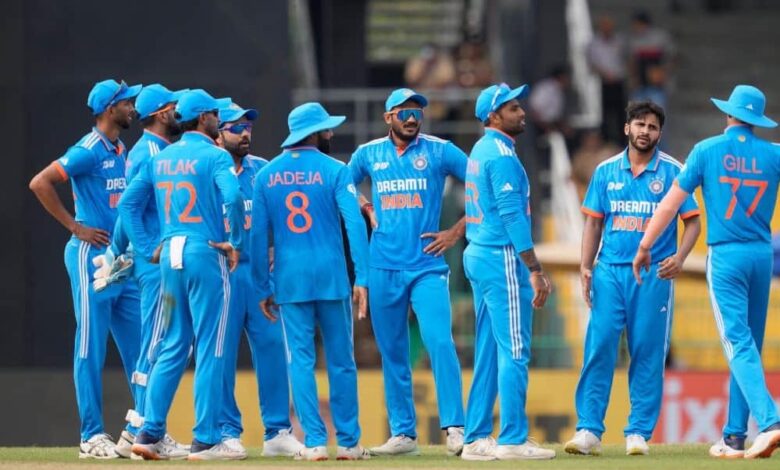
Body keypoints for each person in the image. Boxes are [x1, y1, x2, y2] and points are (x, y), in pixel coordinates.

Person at [633, 84, 780, 459]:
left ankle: (770, 423)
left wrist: (645, 245)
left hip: (727, 256)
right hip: (762, 255)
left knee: (737, 344)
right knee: (748, 347)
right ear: (757, 120)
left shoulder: (706, 150)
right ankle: (734, 437)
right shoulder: (774, 153)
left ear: (729, 114)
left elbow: (670, 206)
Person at [564, 101, 701, 457]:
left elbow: (693, 223)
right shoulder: (605, 170)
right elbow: (594, 222)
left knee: (647, 352)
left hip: (653, 276)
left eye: (652, 127)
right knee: (599, 347)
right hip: (610, 271)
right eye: (639, 124)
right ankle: (588, 430)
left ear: (659, 133)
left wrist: (679, 258)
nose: (645, 131)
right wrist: (585, 266)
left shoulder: (673, 171)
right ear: (627, 128)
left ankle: (638, 431)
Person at [120, 89, 245, 461]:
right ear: (203, 118)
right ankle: (206, 440)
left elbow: (127, 204)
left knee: (174, 344)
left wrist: (147, 247)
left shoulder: (162, 157)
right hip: (204, 253)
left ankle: (149, 432)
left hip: (170, 255)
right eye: (214, 114)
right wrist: (236, 241)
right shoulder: (215, 155)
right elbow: (233, 198)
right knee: (211, 346)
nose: (218, 120)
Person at [348, 88, 467, 457]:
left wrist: (455, 232)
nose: (412, 118)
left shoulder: (440, 150)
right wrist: (365, 204)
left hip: (427, 265)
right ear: (388, 117)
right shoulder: (368, 153)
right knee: (392, 351)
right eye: (404, 112)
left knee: (439, 341)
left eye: (417, 112)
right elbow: (343, 186)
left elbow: (484, 185)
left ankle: (456, 427)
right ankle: (403, 434)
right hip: (383, 266)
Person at [29, 79, 143, 459]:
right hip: (89, 256)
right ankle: (90, 435)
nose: (132, 108)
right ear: (110, 109)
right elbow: (40, 183)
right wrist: (76, 228)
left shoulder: (120, 148)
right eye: (127, 102)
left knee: (140, 345)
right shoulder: (89, 149)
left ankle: (145, 430)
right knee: (91, 344)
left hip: (118, 259)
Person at [251, 102, 371, 461]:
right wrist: (362, 276)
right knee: (341, 360)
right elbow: (355, 223)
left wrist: (261, 285)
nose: (331, 133)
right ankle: (348, 443)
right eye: (327, 128)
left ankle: (315, 442)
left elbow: (257, 236)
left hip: (289, 280)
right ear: (315, 133)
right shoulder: (336, 170)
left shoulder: (265, 176)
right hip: (331, 276)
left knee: (300, 362)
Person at [460, 83, 555, 461]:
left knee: (488, 350)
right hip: (499, 256)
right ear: (493, 116)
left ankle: (475, 438)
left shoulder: (481, 149)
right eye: (513, 108)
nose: (522, 112)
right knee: (515, 349)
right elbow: (513, 215)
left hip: (478, 251)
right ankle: (513, 439)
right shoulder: (501, 155)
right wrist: (535, 268)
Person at [215, 100, 303, 459]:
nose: (245, 133)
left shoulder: (263, 170)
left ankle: (278, 431)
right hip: (222, 274)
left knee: (272, 348)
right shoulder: (208, 169)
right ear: (217, 133)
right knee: (220, 354)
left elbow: (286, 217)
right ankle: (226, 431)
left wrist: (276, 248)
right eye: (237, 127)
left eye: (248, 127)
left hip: (259, 277)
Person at [108, 83, 189, 459]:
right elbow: (128, 207)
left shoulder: (152, 150)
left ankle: (142, 429)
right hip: (157, 265)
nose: (179, 113)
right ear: (161, 113)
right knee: (156, 343)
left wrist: (119, 252)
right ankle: (138, 429)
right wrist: (141, 249)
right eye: (174, 107)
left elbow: (129, 208)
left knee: (164, 341)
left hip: (158, 261)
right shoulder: (150, 153)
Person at [587, 15, 627, 145]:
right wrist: (605, 74)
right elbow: (592, 64)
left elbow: (626, 59)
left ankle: (622, 141)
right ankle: (605, 141)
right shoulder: (594, 44)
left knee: (621, 113)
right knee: (604, 114)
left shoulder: (619, 41)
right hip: (603, 83)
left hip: (618, 81)